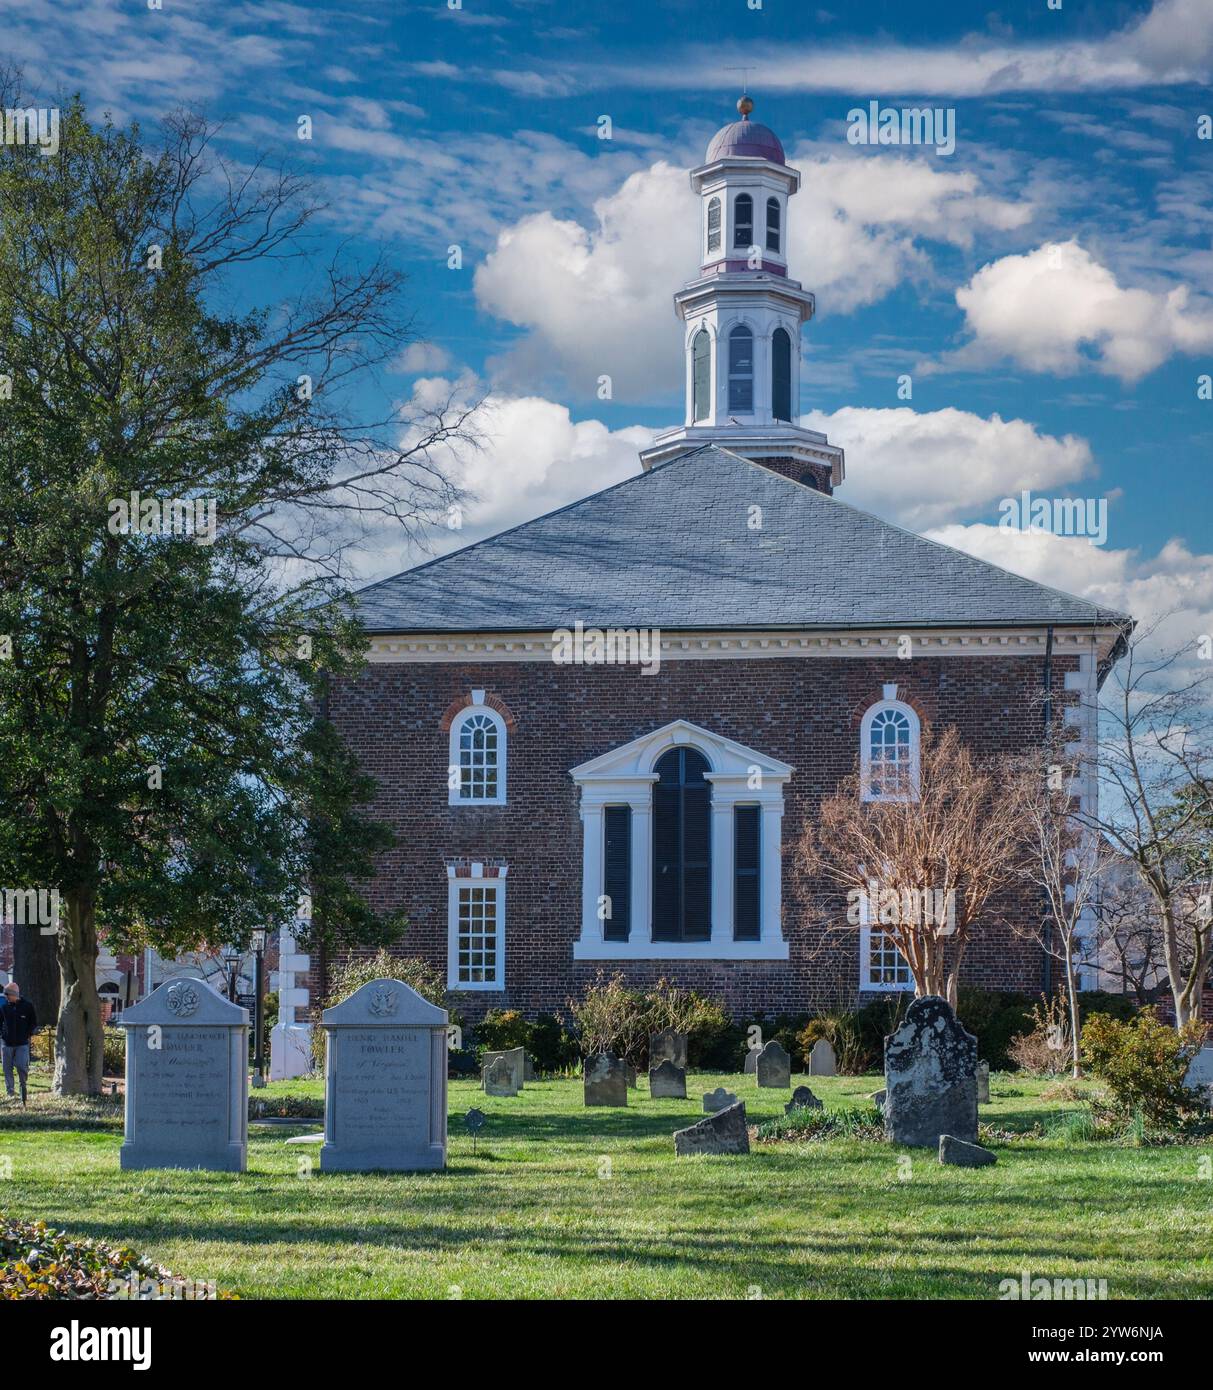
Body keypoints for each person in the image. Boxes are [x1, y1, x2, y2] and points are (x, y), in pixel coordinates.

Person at [1, 980, 38, 1104]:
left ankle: (23, 1086)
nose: (6, 997)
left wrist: (28, 1034)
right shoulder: (4, 1007)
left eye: (7, 995)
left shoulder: (27, 1006)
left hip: (22, 1044)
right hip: (6, 1044)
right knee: (7, 1069)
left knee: (22, 1067)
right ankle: (10, 1092)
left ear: (13, 994)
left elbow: (33, 1023)